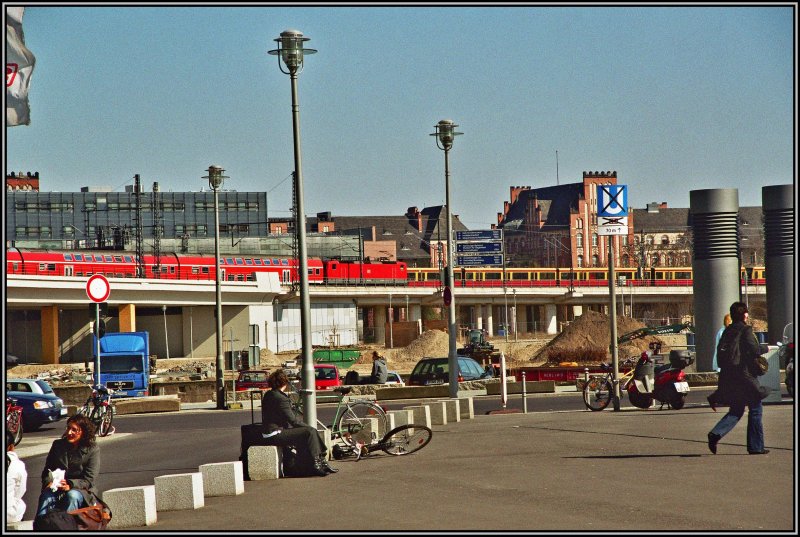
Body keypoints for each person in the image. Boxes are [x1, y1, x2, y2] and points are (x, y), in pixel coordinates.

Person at [707, 302, 770, 455]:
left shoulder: (728, 331)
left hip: (731, 375)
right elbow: (754, 350)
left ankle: (716, 433)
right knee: (756, 408)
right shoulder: (745, 330)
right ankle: (756, 446)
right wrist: (765, 348)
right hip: (745, 376)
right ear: (744, 315)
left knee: (737, 409)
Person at [260, 369, 337, 476]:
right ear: (284, 383)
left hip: (270, 432)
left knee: (308, 432)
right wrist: (309, 428)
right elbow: (293, 421)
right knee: (309, 432)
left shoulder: (269, 394)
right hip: (275, 433)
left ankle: (320, 462)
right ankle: (317, 464)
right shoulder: (281, 398)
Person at [35, 413, 100, 518]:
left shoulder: (92, 449)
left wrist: (70, 484)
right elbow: (47, 470)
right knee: (46, 496)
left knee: (72, 495)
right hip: (57, 486)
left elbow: (89, 479)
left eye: (74, 430)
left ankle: (67, 525)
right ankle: (40, 527)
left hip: (80, 489)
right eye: (68, 428)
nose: (69, 432)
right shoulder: (58, 445)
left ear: (83, 432)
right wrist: (48, 483)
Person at [707, 313, 733, 411]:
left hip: (724, 362)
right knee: (728, 383)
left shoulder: (723, 331)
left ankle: (719, 399)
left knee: (727, 383)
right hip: (724, 363)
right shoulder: (723, 332)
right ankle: (717, 398)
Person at [6, 425, 27, 524]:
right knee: (20, 504)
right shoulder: (17, 464)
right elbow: (20, 491)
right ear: (11, 446)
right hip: (8, 514)